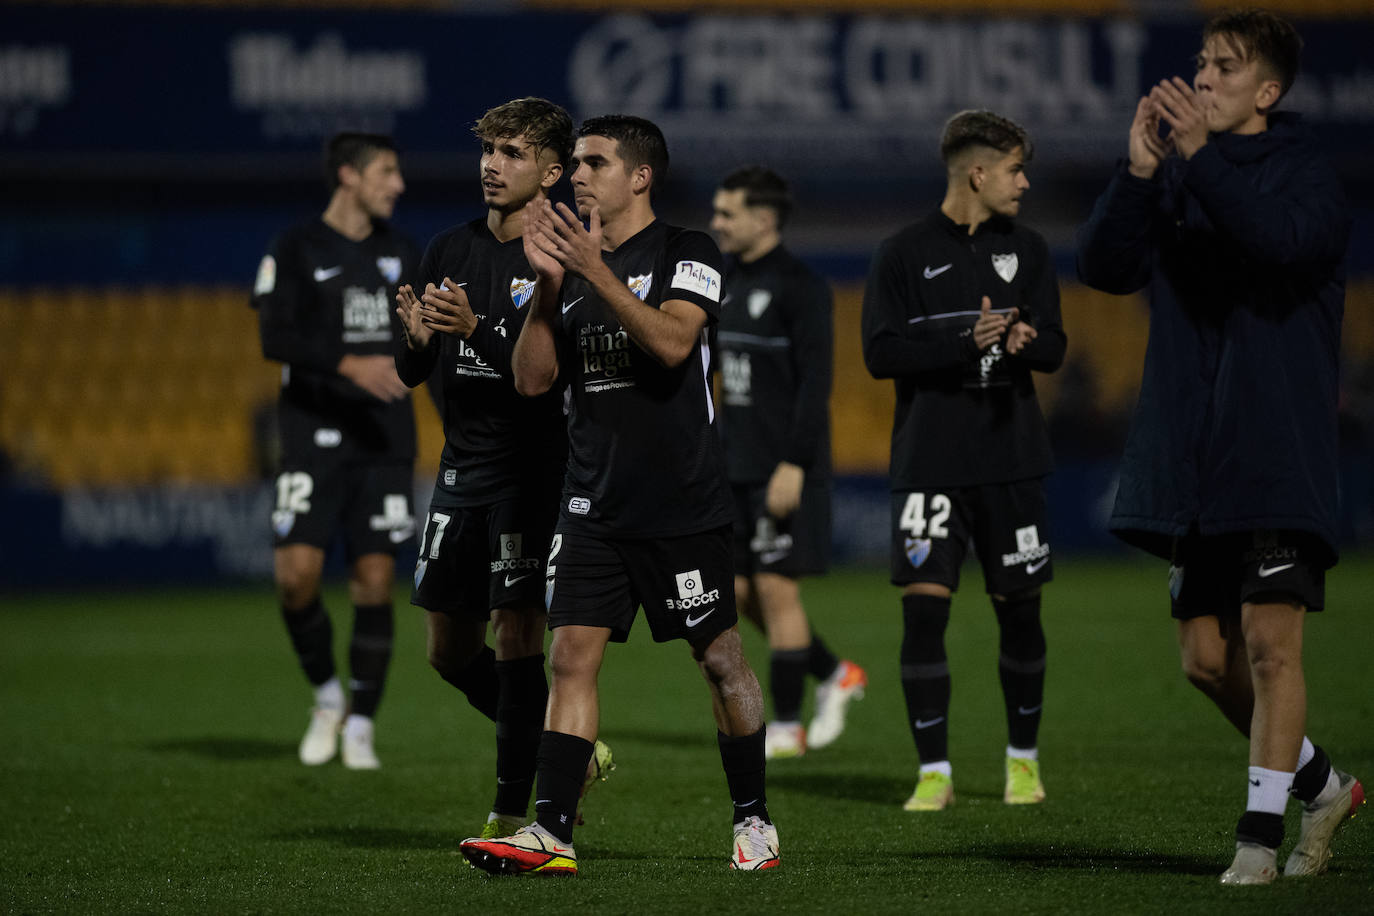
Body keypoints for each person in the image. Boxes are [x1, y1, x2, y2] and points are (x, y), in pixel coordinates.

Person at [1076, 8, 1362, 885]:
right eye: (1201, 64)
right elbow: (1103, 268)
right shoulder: (1171, 175)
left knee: (1272, 645)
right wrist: (1136, 171)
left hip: (1277, 445)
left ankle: (1258, 839)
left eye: (1226, 68)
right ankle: (1326, 787)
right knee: (1207, 660)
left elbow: (1278, 245)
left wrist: (1198, 160)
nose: (1203, 79)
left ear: (1267, 92)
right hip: (1195, 453)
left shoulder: (1308, 173)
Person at [460, 115, 778, 875]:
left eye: (594, 162)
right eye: (573, 162)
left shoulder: (686, 250)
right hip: (590, 499)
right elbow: (533, 380)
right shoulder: (565, 267)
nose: (576, 174)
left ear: (639, 176)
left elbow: (673, 345)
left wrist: (594, 269)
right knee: (569, 658)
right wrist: (547, 285)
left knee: (721, 660)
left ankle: (753, 818)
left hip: (680, 500)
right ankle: (553, 834)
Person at [392, 97, 612, 841]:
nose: (492, 164)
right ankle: (569, 751)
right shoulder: (448, 249)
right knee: (448, 651)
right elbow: (415, 367)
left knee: (519, 637)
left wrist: (475, 329)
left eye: (513, 152)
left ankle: (515, 809)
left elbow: (543, 383)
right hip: (463, 469)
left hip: (535, 471)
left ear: (552, 172)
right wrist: (418, 340)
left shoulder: (567, 258)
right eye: (488, 149)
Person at [862, 110, 1065, 813]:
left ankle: (1023, 763)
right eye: (1014, 170)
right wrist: (965, 344)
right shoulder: (902, 254)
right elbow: (880, 355)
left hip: (1010, 459)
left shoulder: (1029, 250)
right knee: (923, 617)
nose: (1025, 182)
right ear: (977, 173)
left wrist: (1025, 342)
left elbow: (1056, 345)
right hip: (930, 466)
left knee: (1020, 613)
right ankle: (935, 774)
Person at [252, 132, 422, 769]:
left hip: (384, 439)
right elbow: (274, 335)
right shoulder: (296, 246)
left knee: (374, 582)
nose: (398, 185)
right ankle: (327, 697)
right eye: (387, 171)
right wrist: (351, 364)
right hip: (311, 436)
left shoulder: (403, 251)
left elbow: (420, 344)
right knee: (295, 580)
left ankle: (360, 726)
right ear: (348, 177)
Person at [709, 166, 867, 760]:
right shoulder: (723, 282)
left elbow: (814, 383)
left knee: (776, 590)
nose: (717, 222)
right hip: (736, 464)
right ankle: (834, 673)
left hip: (783, 466)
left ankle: (789, 725)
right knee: (741, 590)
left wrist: (794, 464)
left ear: (764, 218)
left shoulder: (802, 286)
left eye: (728, 213)